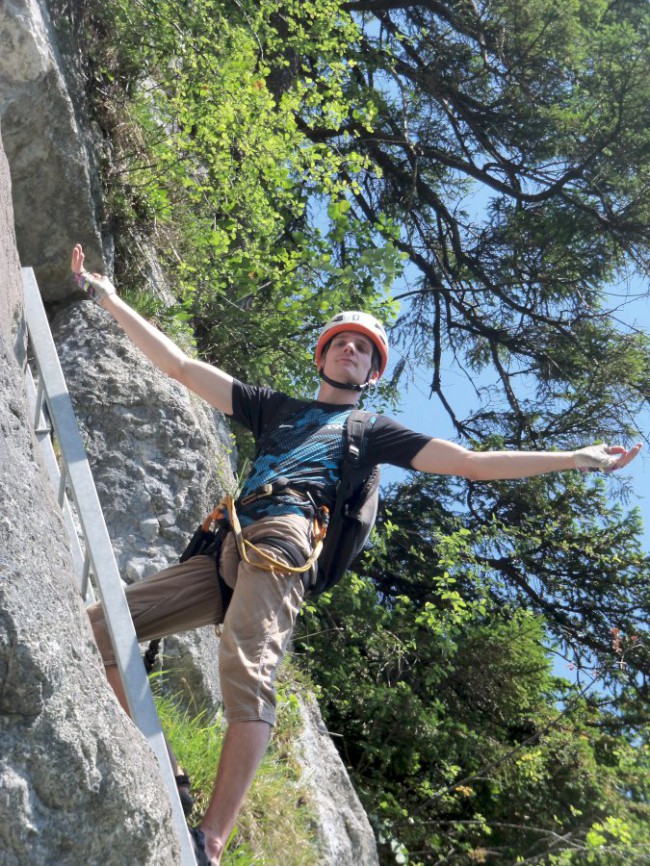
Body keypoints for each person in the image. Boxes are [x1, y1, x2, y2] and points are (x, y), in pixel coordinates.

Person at [70, 244, 641, 866]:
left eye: (364, 348)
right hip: (226, 542)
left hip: (284, 540)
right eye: (342, 341)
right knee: (101, 629)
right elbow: (181, 366)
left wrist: (576, 457)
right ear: (322, 354)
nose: (351, 349)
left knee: (246, 669)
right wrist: (109, 295)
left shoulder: (371, 432)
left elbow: (470, 464)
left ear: (372, 373)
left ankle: (211, 840)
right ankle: (169, 776)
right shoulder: (275, 409)